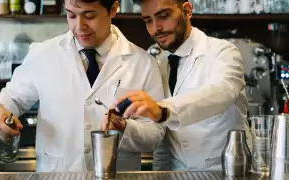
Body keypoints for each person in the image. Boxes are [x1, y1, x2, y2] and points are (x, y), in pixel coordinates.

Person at [0, 0, 165, 172]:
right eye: (71, 15)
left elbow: (156, 134)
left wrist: (125, 128)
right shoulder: (43, 54)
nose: (79, 27)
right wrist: (0, 113)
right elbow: (10, 98)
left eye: (89, 16)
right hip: (57, 174)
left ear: (113, 9)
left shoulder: (144, 63)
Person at [102, 0, 251, 171]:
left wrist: (164, 110)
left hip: (224, 172)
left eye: (163, 16)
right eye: (148, 21)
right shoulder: (158, 62)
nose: (155, 28)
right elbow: (164, 140)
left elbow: (223, 91)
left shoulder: (223, 52)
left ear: (187, 10)